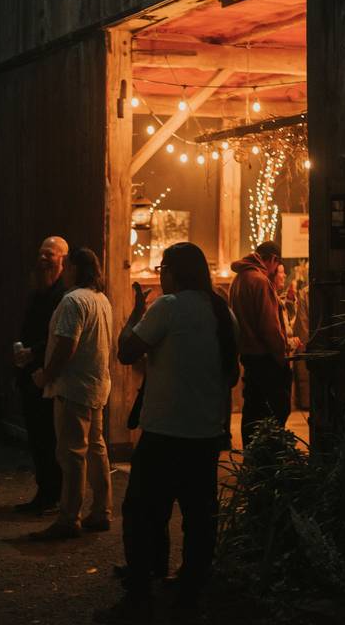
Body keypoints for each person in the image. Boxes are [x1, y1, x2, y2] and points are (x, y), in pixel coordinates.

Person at [95, 243, 239, 622]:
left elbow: (126, 351)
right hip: (204, 434)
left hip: (164, 433)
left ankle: (140, 595)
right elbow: (230, 375)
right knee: (198, 516)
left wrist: (136, 313)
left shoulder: (168, 307)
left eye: (163, 267)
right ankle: (191, 592)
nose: (160, 274)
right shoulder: (221, 311)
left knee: (143, 512)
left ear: (174, 272)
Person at [29, 247, 113, 541]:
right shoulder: (101, 299)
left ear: (75, 268)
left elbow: (67, 345)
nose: (63, 272)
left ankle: (69, 517)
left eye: (68, 267)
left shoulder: (72, 301)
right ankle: (102, 510)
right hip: (96, 384)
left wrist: (46, 375)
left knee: (72, 453)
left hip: (73, 386)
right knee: (96, 448)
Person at [12, 236, 68, 515]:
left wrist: (33, 352)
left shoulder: (63, 296)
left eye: (50, 254)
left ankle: (53, 494)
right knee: (37, 437)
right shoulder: (37, 293)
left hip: (49, 375)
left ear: (62, 260)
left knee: (50, 437)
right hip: (30, 374)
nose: (44, 258)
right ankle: (44, 491)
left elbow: (62, 339)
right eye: (41, 253)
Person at [229, 241, 289, 445]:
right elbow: (269, 327)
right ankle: (268, 463)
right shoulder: (260, 281)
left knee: (252, 411)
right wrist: (281, 356)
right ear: (273, 259)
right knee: (276, 410)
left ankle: (252, 460)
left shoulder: (238, 279)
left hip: (248, 355)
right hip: (265, 357)